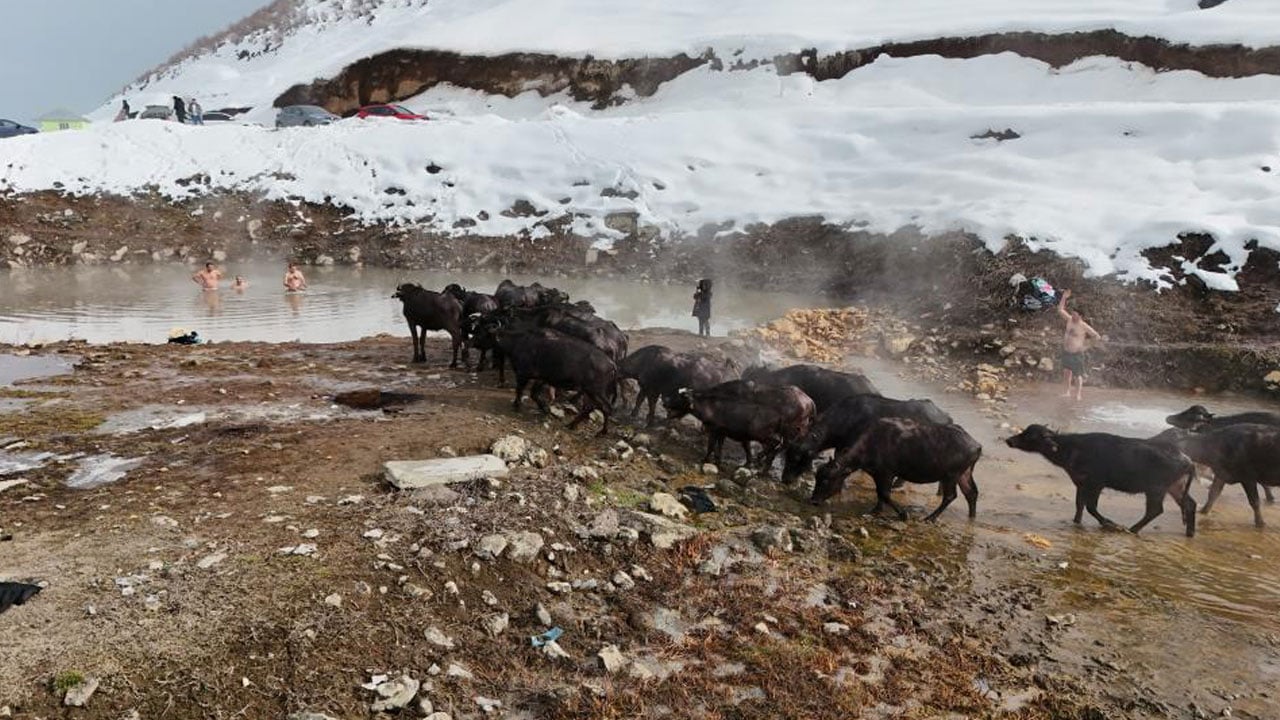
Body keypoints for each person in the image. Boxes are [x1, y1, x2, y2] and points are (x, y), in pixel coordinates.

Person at [1057, 289, 1103, 401]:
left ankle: (1078, 394)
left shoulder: (1084, 326)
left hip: (1077, 353)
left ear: (1080, 316)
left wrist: (1087, 346)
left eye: (1075, 315)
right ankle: (1067, 392)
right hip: (1067, 351)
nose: (1073, 316)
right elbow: (1060, 310)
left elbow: (1097, 336)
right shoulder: (1069, 320)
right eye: (1072, 314)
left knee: (1078, 375)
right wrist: (1064, 297)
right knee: (1066, 372)